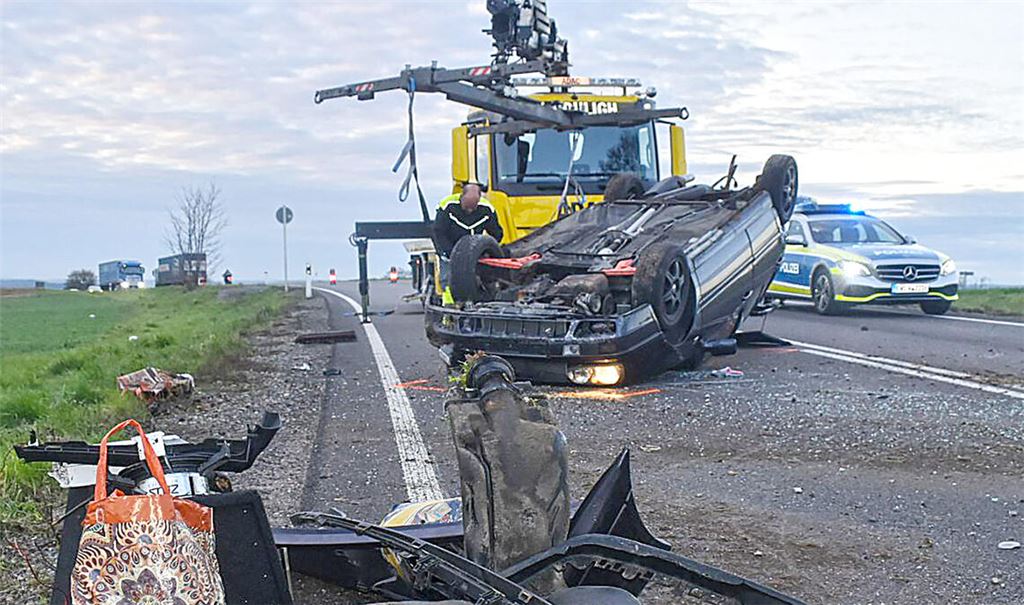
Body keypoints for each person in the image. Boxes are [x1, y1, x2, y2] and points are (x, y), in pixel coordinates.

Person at [433, 183, 503, 304]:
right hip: (450, 248)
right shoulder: (447, 206)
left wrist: (488, 250)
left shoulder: (487, 209)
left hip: (475, 250)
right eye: (467, 207)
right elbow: (438, 232)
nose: (470, 210)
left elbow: (497, 233)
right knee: (448, 278)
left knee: (481, 277)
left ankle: (482, 302)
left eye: (473, 207)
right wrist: (448, 252)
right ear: (461, 197)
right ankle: (450, 306)